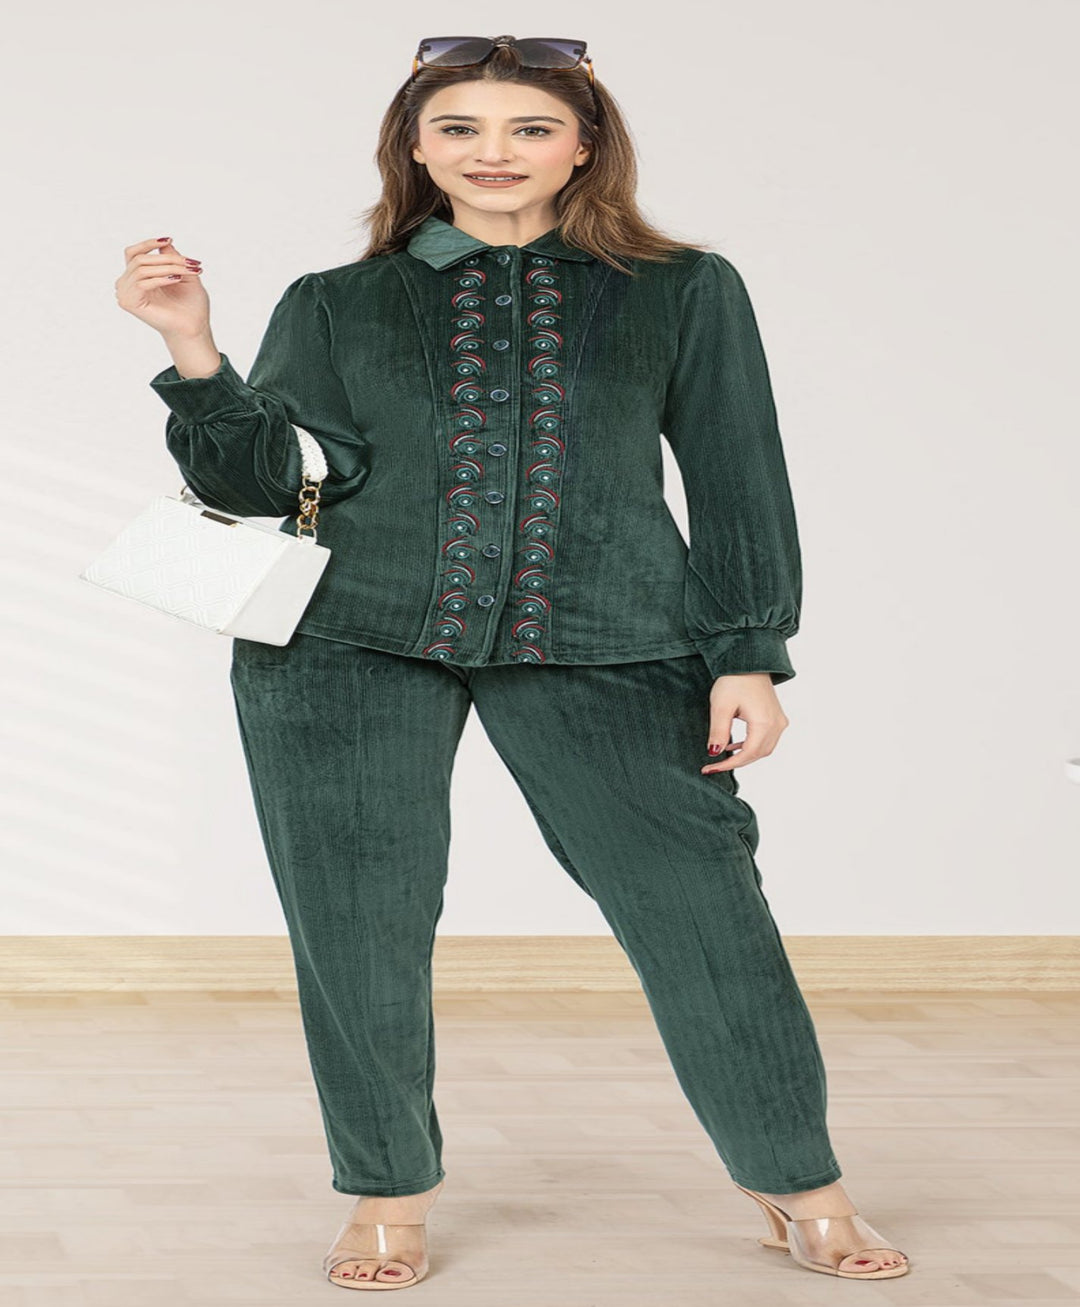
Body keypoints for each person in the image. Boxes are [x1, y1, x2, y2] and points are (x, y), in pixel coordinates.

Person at [115, 32, 909, 1291]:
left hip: (610, 632)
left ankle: (799, 1178)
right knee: (358, 921)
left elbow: (736, 471)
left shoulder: (682, 289)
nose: (494, 152)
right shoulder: (337, 298)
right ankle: (386, 1190)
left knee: (699, 904)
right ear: (417, 148)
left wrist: (747, 653)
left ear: (584, 145)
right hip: (349, 640)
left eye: (529, 127)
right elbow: (261, 482)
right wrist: (194, 347)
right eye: (461, 129)